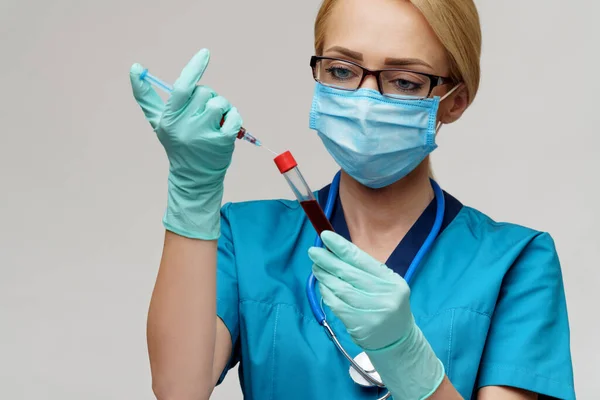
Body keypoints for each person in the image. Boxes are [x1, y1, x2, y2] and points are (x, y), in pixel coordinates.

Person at [129, 0, 575, 398]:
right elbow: (177, 389)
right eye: (341, 70)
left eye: (404, 81)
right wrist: (193, 189)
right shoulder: (245, 238)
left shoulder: (515, 262)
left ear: (454, 102)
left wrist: (411, 365)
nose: (364, 101)